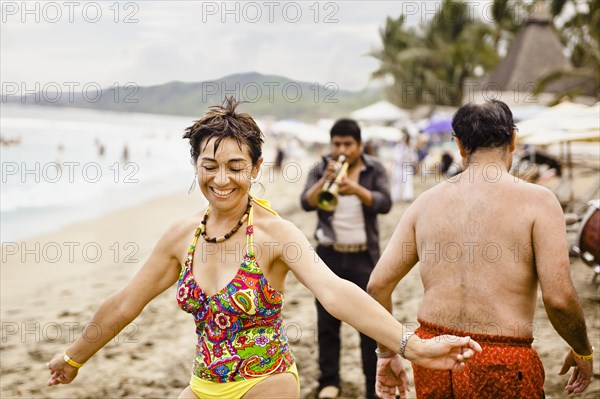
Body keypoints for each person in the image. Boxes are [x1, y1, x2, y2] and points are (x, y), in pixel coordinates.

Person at [47, 98, 482, 399]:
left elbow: (335, 293)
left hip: (267, 381)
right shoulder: (183, 237)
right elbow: (125, 303)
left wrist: (411, 345)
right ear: (195, 165)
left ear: (256, 167)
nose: (221, 179)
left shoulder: (275, 234)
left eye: (236, 167)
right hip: (203, 384)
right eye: (209, 166)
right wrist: (73, 357)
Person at [367, 99, 594, 398]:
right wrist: (583, 350)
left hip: (433, 354)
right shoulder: (539, 202)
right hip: (503, 359)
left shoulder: (424, 204)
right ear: (513, 139)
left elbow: (377, 286)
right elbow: (559, 299)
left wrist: (387, 352)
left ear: (459, 145)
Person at [300, 119, 392, 399]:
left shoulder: (374, 168)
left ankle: (371, 386)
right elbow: (306, 202)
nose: (342, 149)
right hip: (327, 256)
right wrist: (326, 182)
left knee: (369, 325)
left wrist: (357, 189)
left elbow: (385, 203)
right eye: (337, 143)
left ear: (359, 145)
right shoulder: (321, 168)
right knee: (327, 324)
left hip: (363, 257)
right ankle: (330, 381)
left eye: (347, 144)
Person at [391, 133, 418, 203]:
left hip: (407, 167)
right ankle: (394, 197)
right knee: (397, 183)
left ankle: (407, 196)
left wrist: (414, 164)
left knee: (408, 182)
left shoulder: (411, 148)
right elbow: (396, 158)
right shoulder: (399, 147)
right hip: (398, 167)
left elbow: (414, 158)